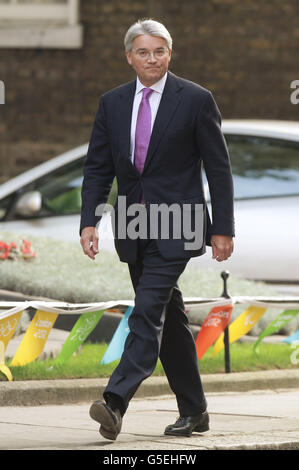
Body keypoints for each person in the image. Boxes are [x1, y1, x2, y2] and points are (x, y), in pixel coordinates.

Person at [80, 19, 234, 441]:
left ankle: (114, 401)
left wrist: (222, 227)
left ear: (170, 53)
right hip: (134, 224)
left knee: (147, 311)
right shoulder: (112, 103)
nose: (153, 59)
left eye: (160, 51)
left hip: (179, 223)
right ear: (129, 56)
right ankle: (195, 412)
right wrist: (90, 220)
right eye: (144, 52)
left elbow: (219, 170)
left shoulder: (196, 100)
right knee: (169, 317)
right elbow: (98, 168)